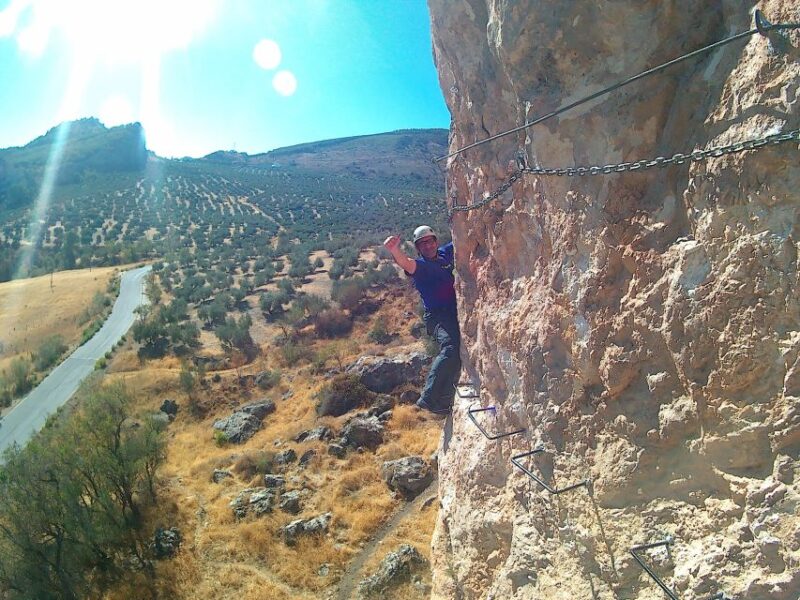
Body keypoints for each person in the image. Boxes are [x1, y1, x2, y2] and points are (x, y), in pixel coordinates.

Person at [383, 226, 461, 413]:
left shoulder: (444, 254)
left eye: (430, 241)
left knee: (458, 355)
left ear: (436, 241)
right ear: (418, 248)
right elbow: (406, 263)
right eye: (422, 244)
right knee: (450, 348)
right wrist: (394, 250)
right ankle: (427, 398)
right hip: (438, 316)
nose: (428, 246)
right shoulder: (421, 267)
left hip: (454, 312)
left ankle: (444, 401)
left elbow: (461, 238)